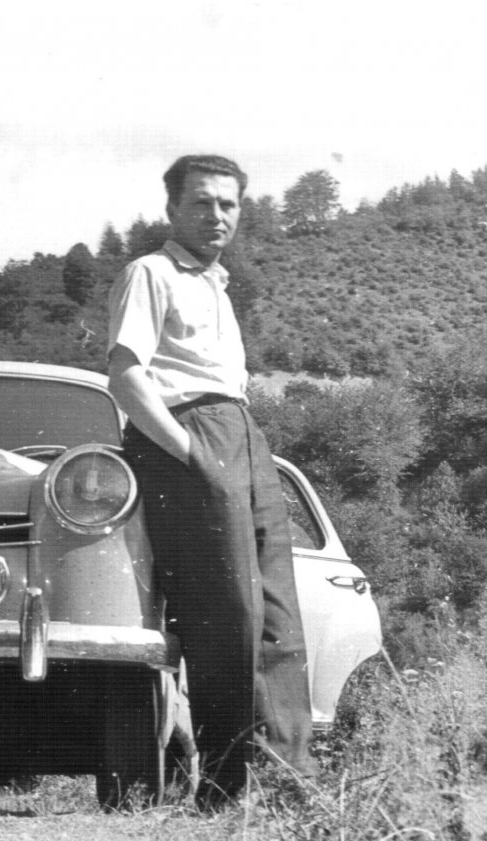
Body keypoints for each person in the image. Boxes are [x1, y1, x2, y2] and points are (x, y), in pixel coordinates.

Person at [107, 154, 315, 805]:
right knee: (226, 616)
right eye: (202, 202)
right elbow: (125, 373)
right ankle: (227, 790)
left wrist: (231, 451)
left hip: (243, 435)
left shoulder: (218, 287)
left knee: (278, 615)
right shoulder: (151, 273)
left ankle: (286, 782)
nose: (217, 215)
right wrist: (190, 454)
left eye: (228, 204)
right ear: (173, 208)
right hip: (190, 439)